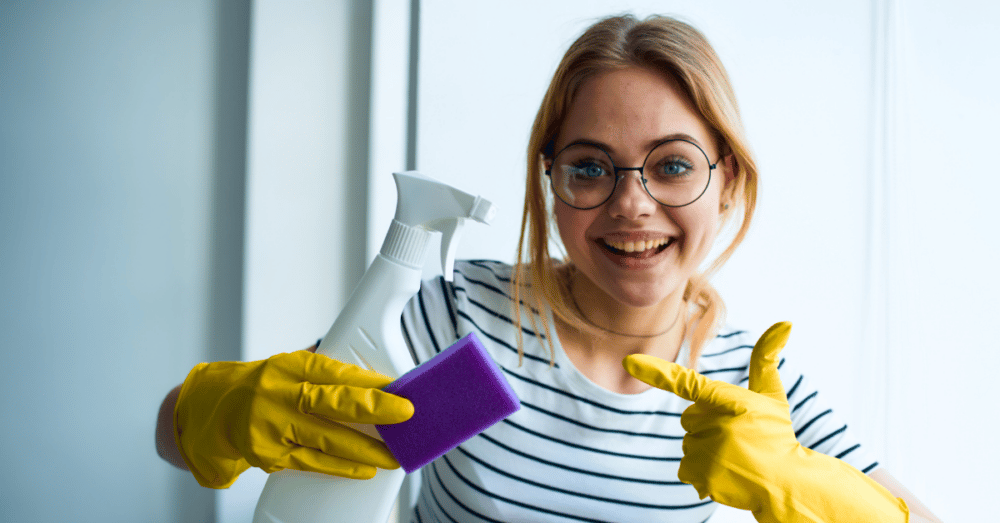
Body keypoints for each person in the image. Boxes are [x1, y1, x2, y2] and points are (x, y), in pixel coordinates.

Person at [156, 14, 943, 522]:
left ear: (727, 177)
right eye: (592, 168)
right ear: (551, 182)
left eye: (671, 166)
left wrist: (808, 493)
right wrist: (214, 412)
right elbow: (174, 435)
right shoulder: (463, 323)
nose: (632, 205)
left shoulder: (749, 387)